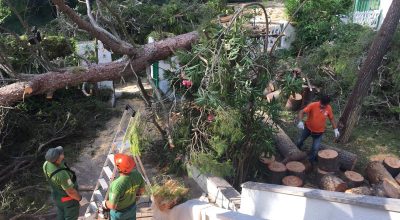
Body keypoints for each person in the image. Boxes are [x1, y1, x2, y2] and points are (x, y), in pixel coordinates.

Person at [296, 95, 340, 162]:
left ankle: (310, 162)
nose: (322, 106)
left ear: (327, 104)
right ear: (320, 101)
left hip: (319, 132)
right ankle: (296, 151)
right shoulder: (313, 105)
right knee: (299, 141)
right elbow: (301, 112)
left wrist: (335, 129)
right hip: (308, 129)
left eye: (324, 105)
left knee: (315, 148)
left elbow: (332, 119)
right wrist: (300, 121)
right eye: (321, 104)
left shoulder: (329, 108)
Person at [43, 146, 82, 220]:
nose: (63, 154)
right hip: (69, 200)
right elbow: (71, 192)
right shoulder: (61, 174)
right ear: (57, 160)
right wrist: (80, 199)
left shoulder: (46, 164)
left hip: (58, 197)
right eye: (61, 154)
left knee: (61, 214)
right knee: (71, 217)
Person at [103, 153, 145, 220]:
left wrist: (104, 204)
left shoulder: (116, 185)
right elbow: (142, 190)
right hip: (132, 209)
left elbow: (112, 206)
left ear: (118, 167)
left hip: (119, 214)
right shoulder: (137, 174)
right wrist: (134, 197)